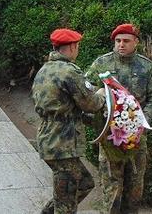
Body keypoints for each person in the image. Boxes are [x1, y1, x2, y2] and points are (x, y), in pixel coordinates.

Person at [85, 23, 152, 214]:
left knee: (134, 189)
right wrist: (98, 106)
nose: (121, 44)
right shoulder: (102, 64)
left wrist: (142, 120)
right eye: (118, 41)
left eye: (126, 41)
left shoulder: (146, 66)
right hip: (110, 137)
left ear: (135, 42)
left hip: (136, 138)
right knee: (111, 189)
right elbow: (86, 90)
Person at [32, 28, 106, 214]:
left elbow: (61, 105)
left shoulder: (44, 69)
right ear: (72, 46)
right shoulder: (69, 71)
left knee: (84, 183)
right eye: (77, 46)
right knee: (67, 201)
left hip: (50, 138)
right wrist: (102, 95)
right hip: (63, 143)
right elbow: (90, 103)